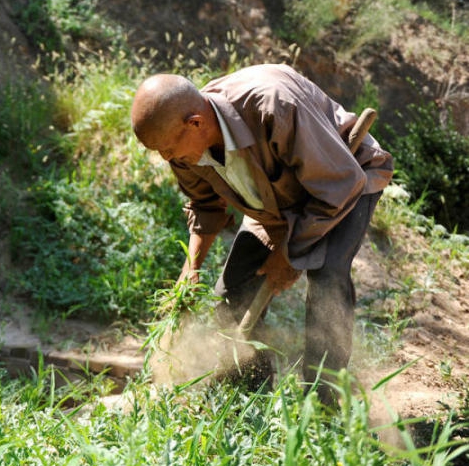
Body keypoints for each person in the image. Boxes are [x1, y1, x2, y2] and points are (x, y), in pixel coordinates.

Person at [130, 64, 393, 404]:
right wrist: (190, 268)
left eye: (167, 150)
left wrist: (288, 254)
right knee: (234, 287)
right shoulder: (183, 144)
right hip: (274, 200)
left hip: (343, 179)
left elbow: (339, 186)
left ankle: (324, 401)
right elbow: (205, 204)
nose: (168, 159)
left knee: (327, 273)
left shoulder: (274, 106)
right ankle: (249, 401)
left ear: (194, 123)